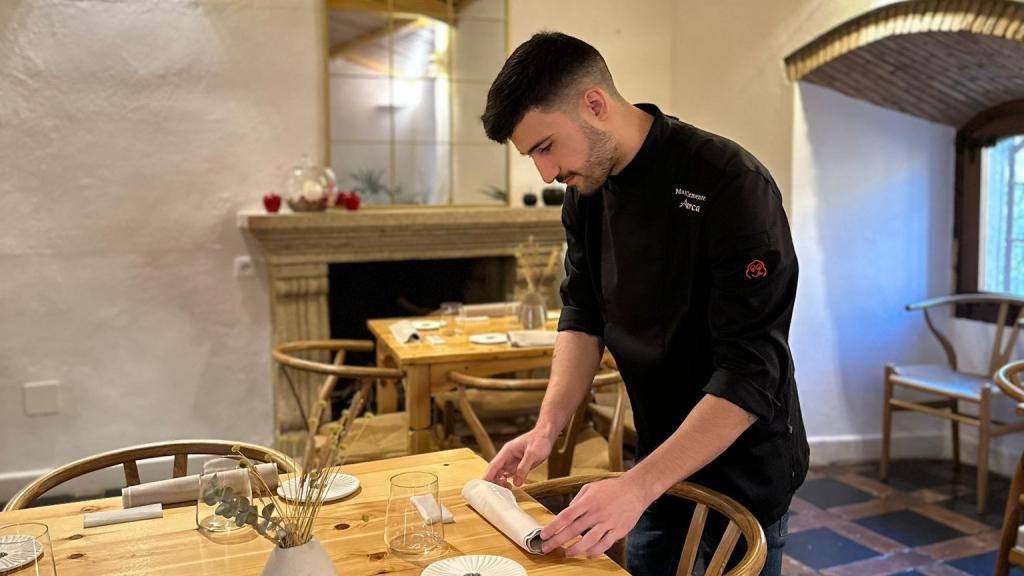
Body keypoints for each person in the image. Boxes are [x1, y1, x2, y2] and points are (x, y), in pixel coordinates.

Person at [478, 32, 808, 576]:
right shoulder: (587, 193)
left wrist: (638, 486)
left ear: (594, 105)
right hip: (652, 459)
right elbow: (582, 313)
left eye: (545, 147)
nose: (545, 172)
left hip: (746, 466)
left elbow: (750, 373)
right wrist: (546, 428)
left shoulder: (732, 185)